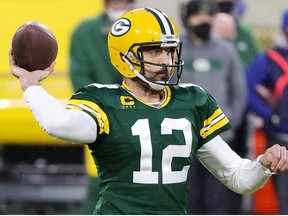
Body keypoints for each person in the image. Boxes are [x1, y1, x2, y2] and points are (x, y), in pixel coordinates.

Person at [10, 7, 288, 215]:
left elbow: (237, 177)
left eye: (169, 51)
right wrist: (31, 85)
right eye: (154, 52)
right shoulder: (104, 100)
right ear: (124, 56)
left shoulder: (193, 100)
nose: (165, 61)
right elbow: (59, 124)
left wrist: (262, 166)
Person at [178, 0, 246, 214]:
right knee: (188, 198)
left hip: (219, 139)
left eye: (209, 16)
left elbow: (239, 91)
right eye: (199, 16)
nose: (204, 21)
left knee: (218, 199)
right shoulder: (174, 49)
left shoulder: (226, 51)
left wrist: (229, 121)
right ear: (187, 19)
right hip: (183, 139)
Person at [69, 0, 135, 214]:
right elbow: (79, 74)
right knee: (99, 182)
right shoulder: (86, 31)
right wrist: (105, 103)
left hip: (140, 113)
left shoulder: (144, 29)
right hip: (101, 115)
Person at [246, 9, 288, 214]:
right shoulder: (271, 58)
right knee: (285, 197)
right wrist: (268, 114)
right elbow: (247, 87)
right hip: (281, 138)